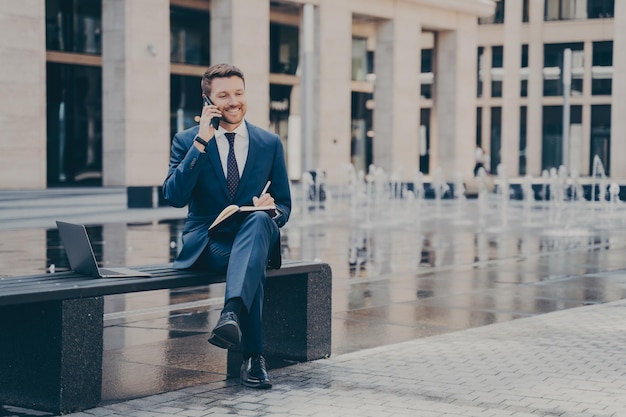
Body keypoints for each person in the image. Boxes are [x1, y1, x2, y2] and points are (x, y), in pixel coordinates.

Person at [162, 63, 291, 389]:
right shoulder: (187, 140)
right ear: (208, 101)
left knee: (259, 224)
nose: (233, 101)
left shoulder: (269, 142)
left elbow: (285, 204)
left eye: (238, 93)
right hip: (208, 240)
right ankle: (254, 357)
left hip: (253, 232)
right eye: (223, 95)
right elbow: (174, 197)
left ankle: (231, 314)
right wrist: (201, 143)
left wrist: (272, 210)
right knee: (253, 260)